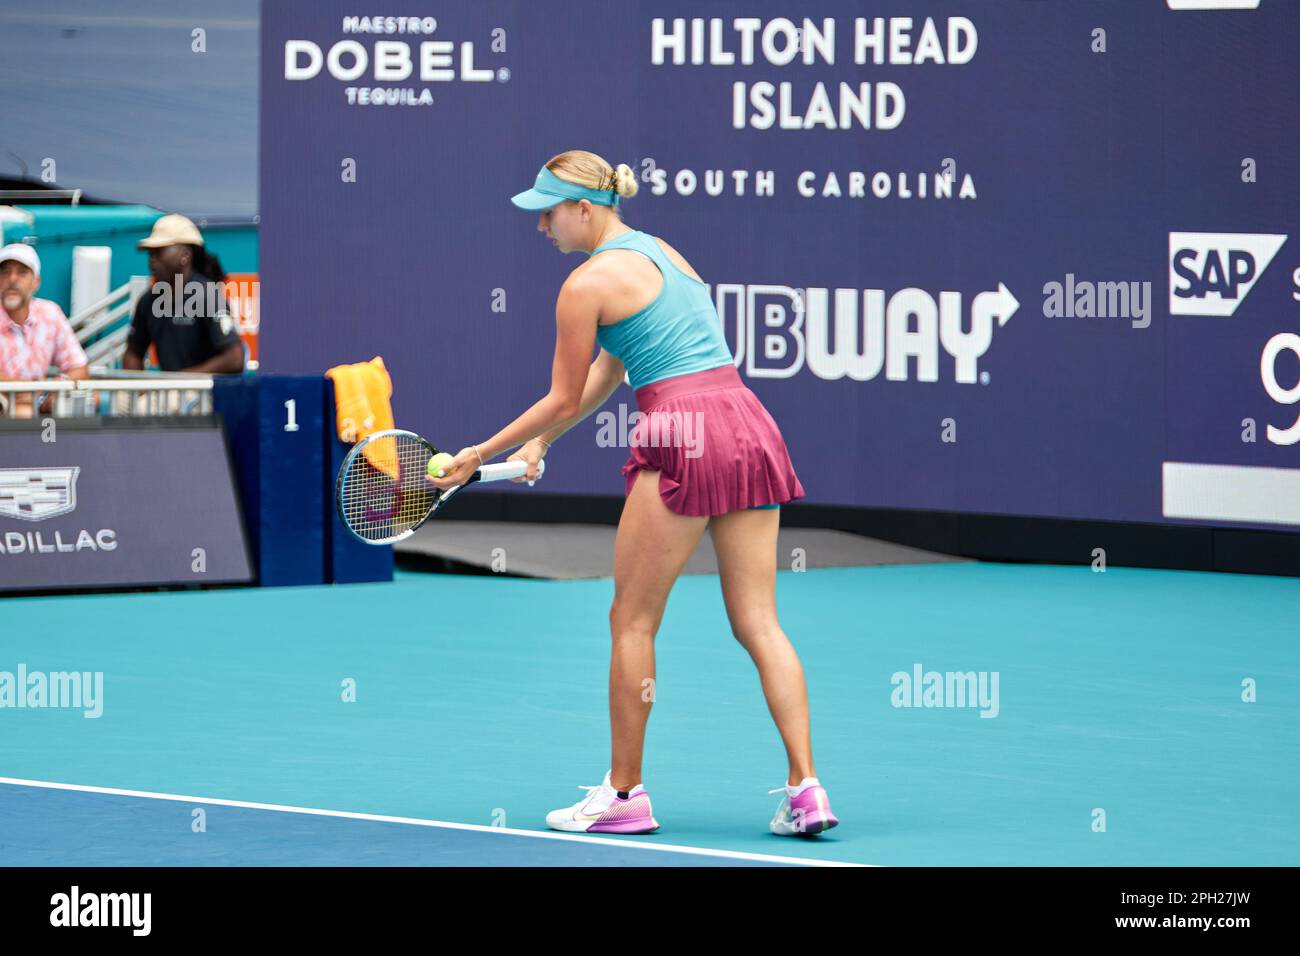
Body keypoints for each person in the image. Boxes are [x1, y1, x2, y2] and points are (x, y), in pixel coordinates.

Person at [427, 150, 838, 837]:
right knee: (760, 623)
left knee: (633, 621)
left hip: (682, 429)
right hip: (746, 420)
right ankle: (807, 790)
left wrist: (478, 453)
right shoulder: (664, 255)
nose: (542, 228)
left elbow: (560, 395)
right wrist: (541, 445)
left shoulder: (584, 285)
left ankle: (624, 795)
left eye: (549, 213)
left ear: (583, 209)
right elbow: (607, 374)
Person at [122, 213, 244, 373]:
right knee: (122, 398)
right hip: (166, 394)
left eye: (158, 251)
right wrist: (139, 388)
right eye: (150, 253)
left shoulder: (207, 296)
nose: (152, 259)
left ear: (185, 255)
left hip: (205, 394)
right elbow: (133, 352)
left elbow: (235, 359)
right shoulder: (148, 301)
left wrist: (182, 381)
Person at [0, 243, 89, 418]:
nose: (12, 279)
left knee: (89, 401)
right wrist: (37, 390)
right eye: (5, 272)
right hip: (10, 409)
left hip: (36, 408)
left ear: (36, 282)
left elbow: (79, 368)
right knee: (23, 413)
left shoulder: (50, 313)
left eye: (22, 272)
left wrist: (54, 388)